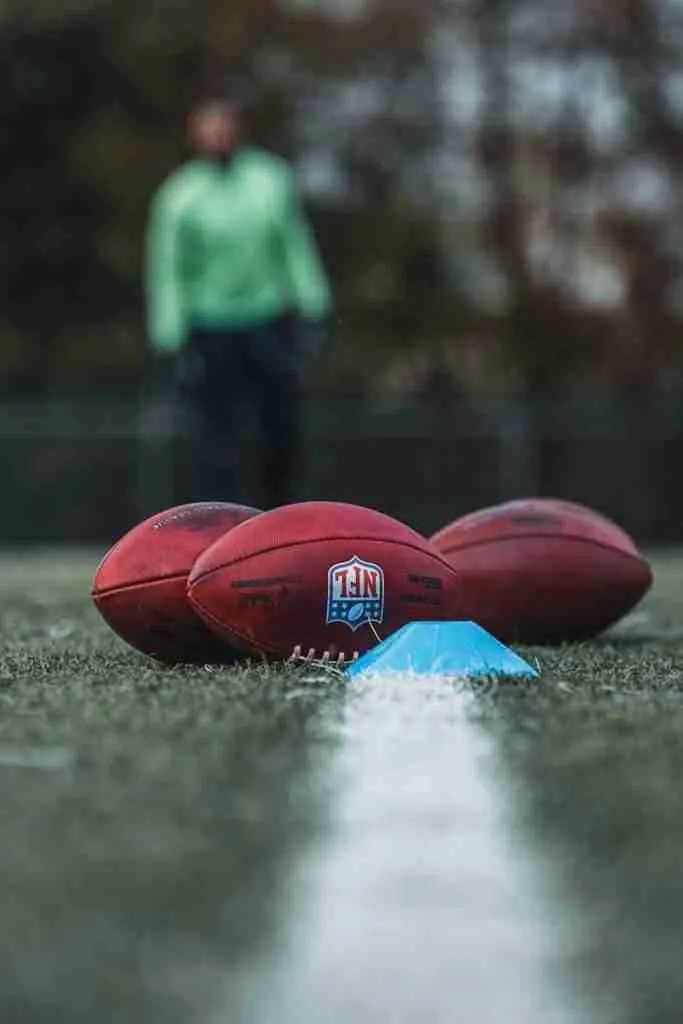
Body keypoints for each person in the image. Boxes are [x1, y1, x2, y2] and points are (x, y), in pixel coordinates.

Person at [144, 83, 332, 508]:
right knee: (214, 437)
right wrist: (168, 337)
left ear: (238, 129)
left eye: (224, 125)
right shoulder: (179, 197)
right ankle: (215, 528)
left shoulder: (270, 180)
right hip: (208, 327)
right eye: (208, 128)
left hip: (267, 320)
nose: (218, 134)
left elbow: (294, 245)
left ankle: (281, 518)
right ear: (195, 136)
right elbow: (167, 270)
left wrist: (314, 305)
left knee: (281, 429)